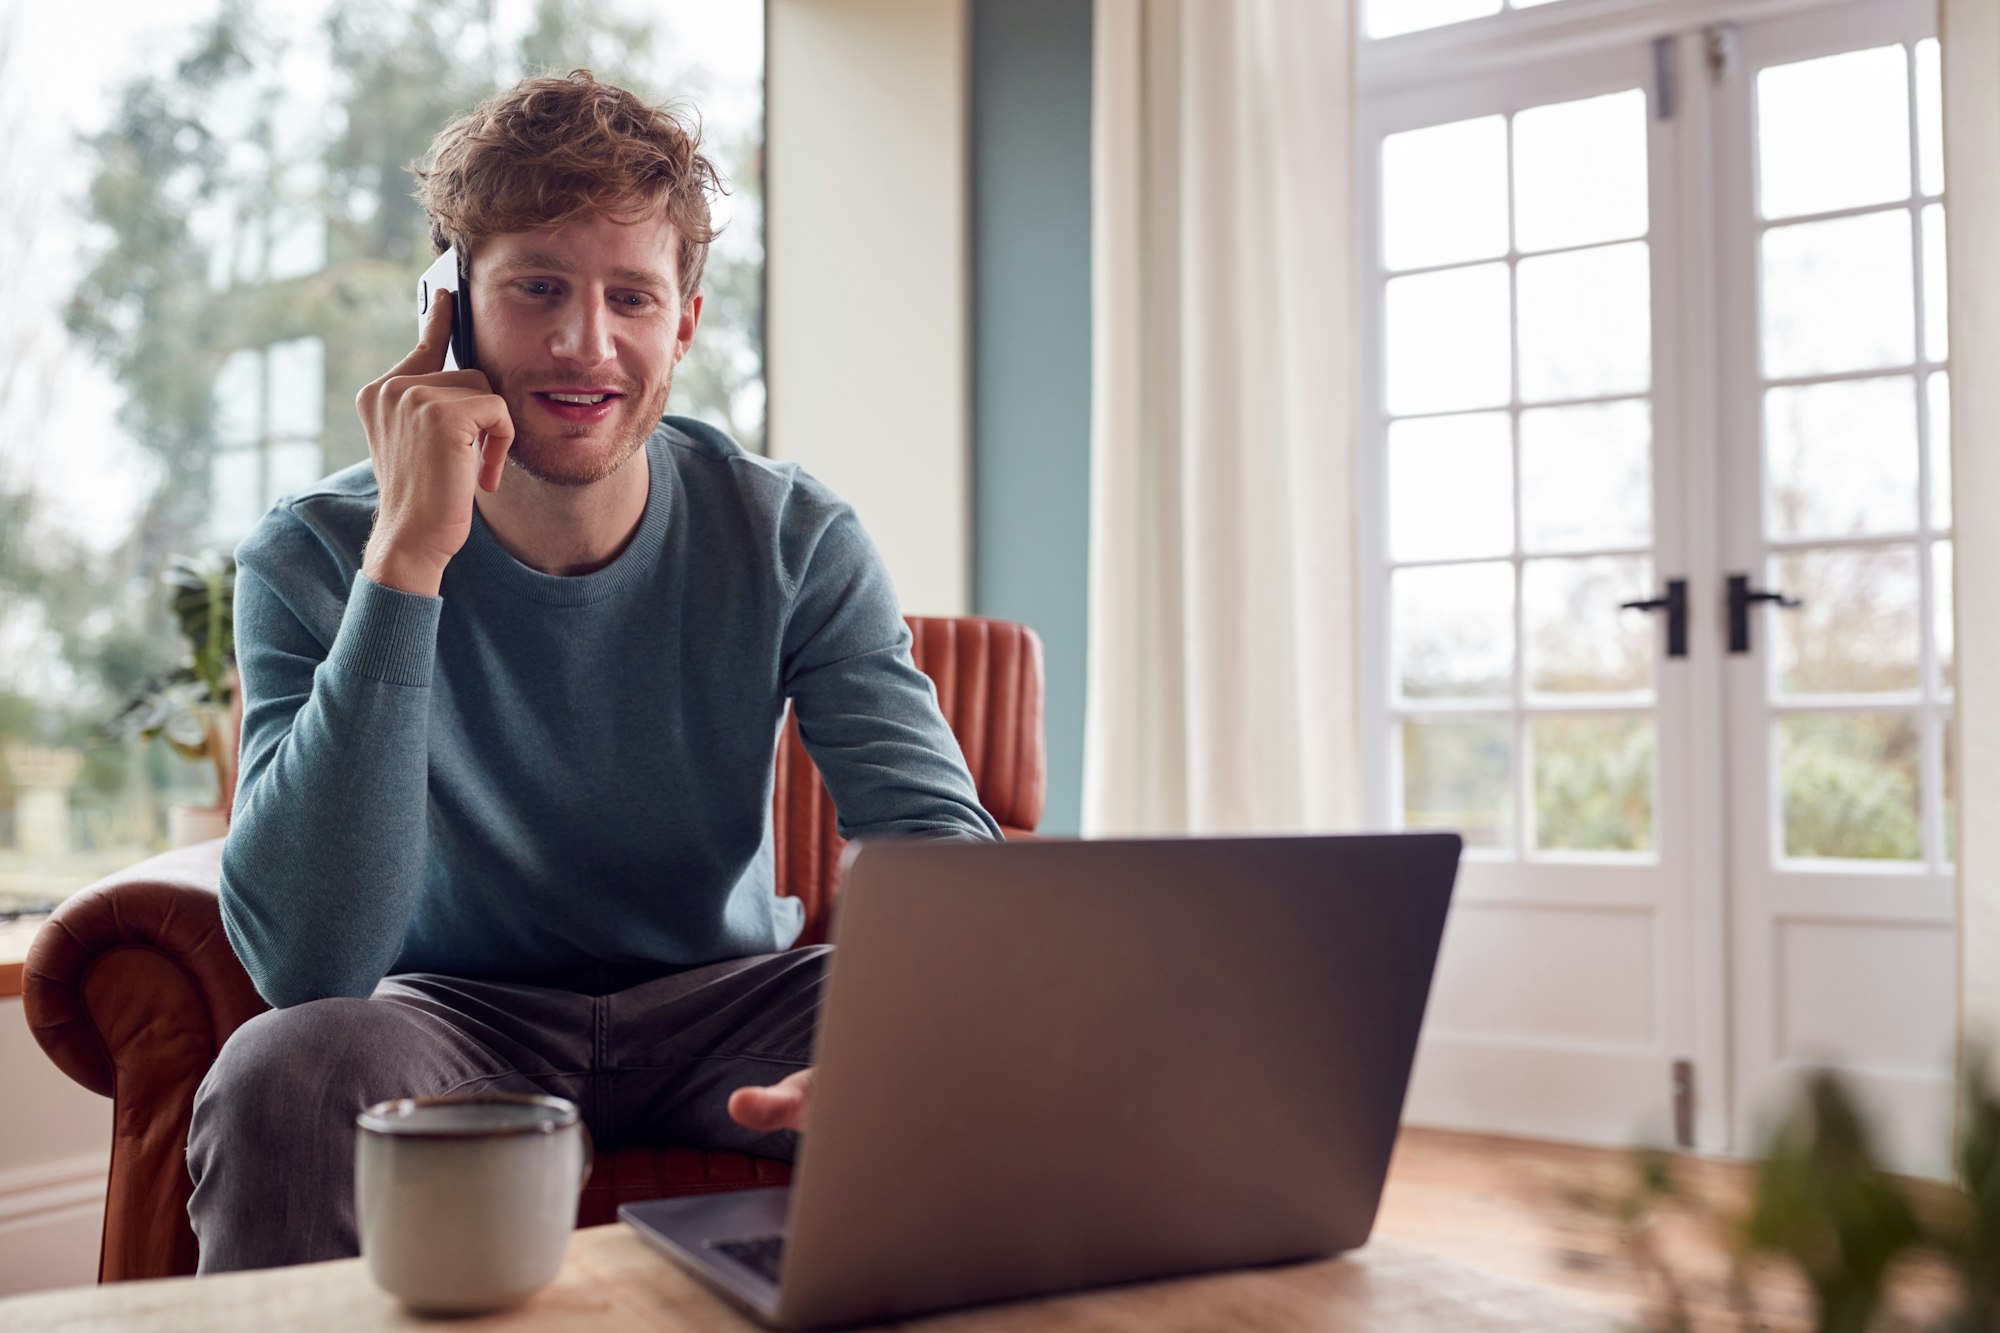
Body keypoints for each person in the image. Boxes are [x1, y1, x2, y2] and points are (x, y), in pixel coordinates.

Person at [185, 69, 1001, 1273]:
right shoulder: (312, 551)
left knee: (1007, 1037)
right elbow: (310, 962)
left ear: (684, 324)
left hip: (731, 1000)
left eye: (631, 296)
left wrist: (911, 1033)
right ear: (450, 310)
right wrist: (406, 559)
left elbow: (937, 850)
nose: (585, 342)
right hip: (449, 1015)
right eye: (536, 288)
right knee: (285, 1072)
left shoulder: (790, 534)